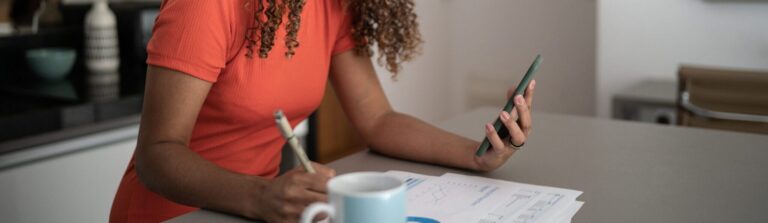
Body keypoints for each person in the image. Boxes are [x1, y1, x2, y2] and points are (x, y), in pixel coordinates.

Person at [109, 0, 535, 222]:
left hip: (252, 211)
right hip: (176, 215)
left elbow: (377, 120)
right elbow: (157, 154)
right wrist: (260, 197)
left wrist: (477, 154)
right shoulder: (207, 5)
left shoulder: (330, 5)